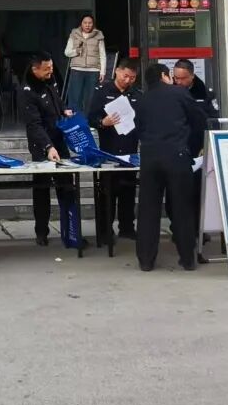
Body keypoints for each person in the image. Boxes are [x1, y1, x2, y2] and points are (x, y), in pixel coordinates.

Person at [135, 63, 207, 272]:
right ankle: (187, 258)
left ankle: (146, 260)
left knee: (148, 210)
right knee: (182, 207)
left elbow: (138, 127)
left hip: (150, 158)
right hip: (177, 156)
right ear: (164, 76)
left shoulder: (142, 99)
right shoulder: (179, 94)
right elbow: (199, 120)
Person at [20, 53, 78, 247]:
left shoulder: (51, 79)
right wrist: (48, 147)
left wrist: (63, 110)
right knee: (42, 189)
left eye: (51, 67)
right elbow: (34, 125)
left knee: (67, 187)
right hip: (41, 146)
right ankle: (41, 232)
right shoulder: (27, 91)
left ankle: (71, 231)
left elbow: (56, 100)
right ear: (35, 69)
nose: (50, 71)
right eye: (46, 69)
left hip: (58, 139)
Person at [88, 59, 141, 240]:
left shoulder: (136, 94)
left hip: (130, 150)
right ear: (117, 71)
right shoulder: (102, 92)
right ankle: (104, 230)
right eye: (125, 76)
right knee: (107, 193)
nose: (128, 81)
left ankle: (127, 227)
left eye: (132, 78)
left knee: (128, 192)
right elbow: (91, 118)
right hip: (109, 150)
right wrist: (103, 122)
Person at [171, 59, 218, 245]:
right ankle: (178, 229)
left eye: (183, 78)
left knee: (198, 192)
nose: (179, 82)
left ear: (192, 76)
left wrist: (207, 144)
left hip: (198, 148)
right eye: (176, 78)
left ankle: (198, 229)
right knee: (176, 193)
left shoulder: (205, 93)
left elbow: (213, 120)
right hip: (176, 148)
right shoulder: (170, 92)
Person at [64, 14, 106, 115]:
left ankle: (89, 121)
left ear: (93, 24)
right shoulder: (74, 34)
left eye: (90, 23)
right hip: (77, 69)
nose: (87, 25)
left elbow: (102, 54)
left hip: (93, 70)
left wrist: (103, 72)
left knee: (91, 98)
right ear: (81, 24)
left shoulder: (99, 35)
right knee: (75, 97)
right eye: (85, 23)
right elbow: (67, 52)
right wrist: (77, 51)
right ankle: (75, 120)